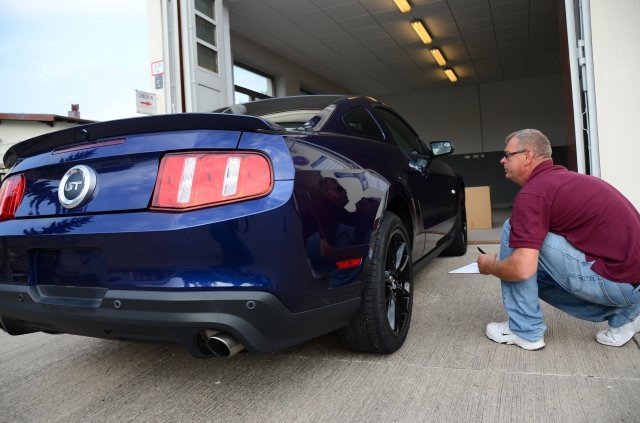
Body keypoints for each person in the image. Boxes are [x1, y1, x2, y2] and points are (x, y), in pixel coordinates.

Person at [477, 129, 640, 350]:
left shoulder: (534, 193)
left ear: (528, 156)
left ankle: (524, 330)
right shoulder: (569, 181)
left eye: (507, 154)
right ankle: (626, 315)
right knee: (536, 276)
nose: (502, 160)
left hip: (617, 283)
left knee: (513, 229)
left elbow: (521, 269)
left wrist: (492, 266)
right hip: (631, 284)